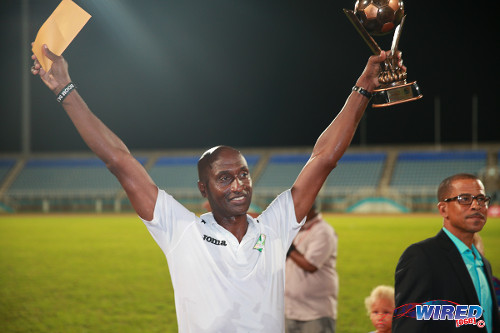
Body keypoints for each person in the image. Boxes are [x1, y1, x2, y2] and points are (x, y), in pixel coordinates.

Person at [31, 43, 398, 332]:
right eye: (225, 178)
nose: (239, 185)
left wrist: (363, 87)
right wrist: (65, 88)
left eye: (243, 174)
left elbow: (323, 159)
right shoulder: (181, 231)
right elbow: (119, 161)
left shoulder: (274, 228)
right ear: (203, 189)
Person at [393, 173, 500, 332]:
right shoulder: (421, 256)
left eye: (481, 199)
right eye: (464, 199)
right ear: (443, 209)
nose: (476, 205)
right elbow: (408, 326)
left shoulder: (483, 263)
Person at [285, 204, 338, 333]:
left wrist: (288, 247)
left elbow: (310, 265)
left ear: (309, 209)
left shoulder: (323, 231)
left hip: (315, 313)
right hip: (289, 310)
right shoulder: (296, 230)